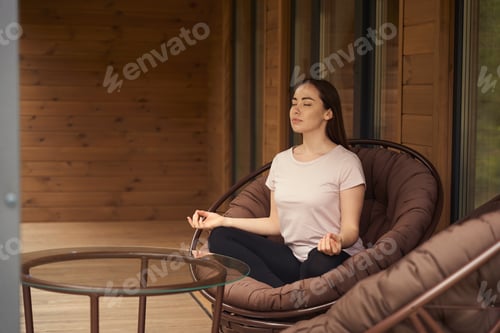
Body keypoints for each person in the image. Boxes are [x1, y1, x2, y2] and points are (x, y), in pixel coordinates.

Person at [187, 78, 366, 288]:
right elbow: (276, 224)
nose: (296, 110)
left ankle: (285, 297)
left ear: (328, 113)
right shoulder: (282, 161)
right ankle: (283, 294)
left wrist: (337, 241)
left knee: (317, 261)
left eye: (307, 104)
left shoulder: (345, 162)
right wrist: (223, 221)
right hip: (293, 260)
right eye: (294, 103)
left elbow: (351, 230)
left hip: (333, 258)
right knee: (220, 237)